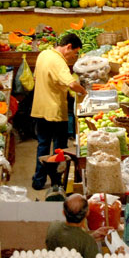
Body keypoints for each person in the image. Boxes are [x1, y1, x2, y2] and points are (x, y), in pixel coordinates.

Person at [30, 33, 88, 190]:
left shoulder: (44, 54)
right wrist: (85, 92)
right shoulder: (59, 62)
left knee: (42, 146)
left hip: (39, 109)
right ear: (68, 47)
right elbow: (71, 84)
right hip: (55, 112)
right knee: (60, 149)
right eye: (74, 53)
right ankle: (57, 181)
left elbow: (37, 78)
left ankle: (38, 180)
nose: (73, 57)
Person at [45, 194, 105, 258]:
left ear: (63, 213)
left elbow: (71, 239)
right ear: (87, 213)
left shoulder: (53, 226)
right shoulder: (88, 242)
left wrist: (91, 236)